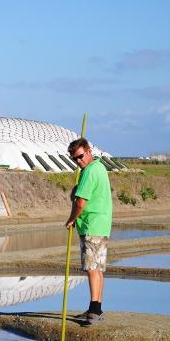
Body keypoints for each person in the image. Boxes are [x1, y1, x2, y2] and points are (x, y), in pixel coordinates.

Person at [65, 138, 112, 326]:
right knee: (98, 269)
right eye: (75, 159)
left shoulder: (90, 171)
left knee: (92, 268)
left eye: (81, 156)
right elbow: (78, 195)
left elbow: (81, 203)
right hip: (101, 224)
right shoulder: (99, 168)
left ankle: (93, 312)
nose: (79, 161)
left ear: (89, 151)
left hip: (92, 225)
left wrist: (71, 219)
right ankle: (96, 308)